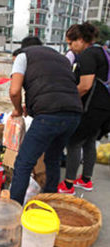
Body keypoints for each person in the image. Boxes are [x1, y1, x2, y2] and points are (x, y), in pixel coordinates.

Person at [9, 36, 83, 205]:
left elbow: (14, 91)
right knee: (53, 158)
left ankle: (14, 212)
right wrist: (33, 106)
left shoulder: (23, 56)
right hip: (74, 114)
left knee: (24, 163)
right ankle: (49, 202)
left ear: (23, 48)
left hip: (49, 116)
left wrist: (18, 110)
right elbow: (55, 86)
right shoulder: (62, 58)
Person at [58, 23, 110, 194]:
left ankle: (68, 184)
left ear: (80, 40)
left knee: (74, 143)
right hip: (104, 107)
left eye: (70, 43)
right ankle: (86, 179)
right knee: (89, 142)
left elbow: (85, 85)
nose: (70, 48)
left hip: (91, 106)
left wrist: (68, 100)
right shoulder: (103, 51)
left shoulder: (88, 54)